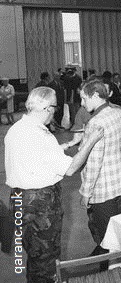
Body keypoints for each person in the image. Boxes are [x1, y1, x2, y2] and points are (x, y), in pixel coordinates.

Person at [5, 86, 103, 283]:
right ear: (47, 108)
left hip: (18, 200)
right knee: (47, 261)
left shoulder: (17, 130)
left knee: (34, 256)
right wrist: (90, 141)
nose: (54, 114)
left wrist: (67, 145)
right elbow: (70, 169)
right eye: (54, 109)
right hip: (40, 205)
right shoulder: (42, 136)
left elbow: (37, 156)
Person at [78, 79, 121, 258]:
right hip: (119, 180)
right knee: (117, 230)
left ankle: (111, 271)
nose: (81, 103)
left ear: (95, 96)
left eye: (84, 99)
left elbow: (93, 163)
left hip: (102, 187)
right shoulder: (118, 112)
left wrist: (86, 193)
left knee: (106, 237)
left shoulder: (95, 122)